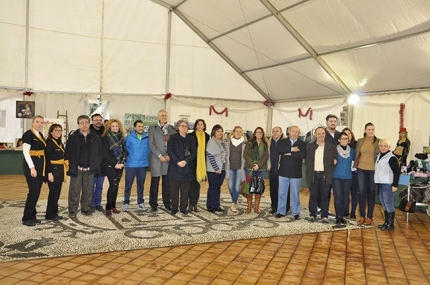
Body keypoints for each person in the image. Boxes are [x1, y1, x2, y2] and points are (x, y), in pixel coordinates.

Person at [66, 115, 102, 218]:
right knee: (74, 190)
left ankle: (85, 208)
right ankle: (72, 210)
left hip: (89, 169)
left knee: (87, 190)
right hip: (77, 168)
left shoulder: (95, 136)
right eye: (81, 122)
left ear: (89, 123)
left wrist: (97, 162)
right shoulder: (73, 136)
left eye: (86, 122)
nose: (84, 124)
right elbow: (68, 151)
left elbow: (99, 151)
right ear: (78, 124)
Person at [306, 126, 337, 223]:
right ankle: (312, 214)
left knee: (325, 196)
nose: (321, 135)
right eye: (319, 133)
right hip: (313, 175)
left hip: (325, 175)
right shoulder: (310, 147)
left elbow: (335, 161)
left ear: (325, 134)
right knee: (313, 195)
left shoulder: (331, 147)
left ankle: (324, 216)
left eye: (323, 133)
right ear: (315, 135)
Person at [148, 110, 176, 212]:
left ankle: (167, 203)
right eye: (162, 115)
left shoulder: (172, 129)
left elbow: (173, 144)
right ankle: (153, 204)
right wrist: (160, 155)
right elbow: (151, 144)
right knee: (154, 183)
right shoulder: (152, 129)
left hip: (168, 159)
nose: (164, 117)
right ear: (158, 117)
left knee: (167, 183)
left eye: (165, 115)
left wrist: (169, 155)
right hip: (156, 158)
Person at [276, 125, 306, 220]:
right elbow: (279, 150)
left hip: (295, 173)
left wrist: (289, 153)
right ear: (289, 132)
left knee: (295, 194)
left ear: (299, 133)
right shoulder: (283, 141)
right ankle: (281, 211)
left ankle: (296, 212)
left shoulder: (302, 143)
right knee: (282, 193)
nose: (294, 133)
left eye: (297, 132)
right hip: (283, 172)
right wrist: (292, 150)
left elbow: (302, 154)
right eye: (293, 131)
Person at [167, 120, 196, 215]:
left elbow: (194, 153)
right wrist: (178, 162)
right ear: (178, 127)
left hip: (187, 168)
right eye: (182, 126)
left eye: (186, 126)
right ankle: (174, 208)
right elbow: (170, 151)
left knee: (185, 190)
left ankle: (184, 208)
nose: (184, 127)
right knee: (174, 190)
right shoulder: (173, 137)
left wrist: (185, 161)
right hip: (175, 167)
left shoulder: (191, 138)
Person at [21, 115, 46, 226]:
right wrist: (32, 167)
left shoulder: (40, 134)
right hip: (32, 167)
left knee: (36, 193)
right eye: (37, 122)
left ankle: (32, 215)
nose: (39, 124)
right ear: (32, 122)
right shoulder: (28, 134)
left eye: (41, 122)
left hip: (40, 167)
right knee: (33, 192)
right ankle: (26, 218)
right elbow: (26, 152)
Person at [355, 122, 380, 226]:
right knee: (361, 192)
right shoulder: (360, 141)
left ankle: (369, 216)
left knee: (371, 192)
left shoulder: (378, 142)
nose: (371, 131)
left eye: (372, 129)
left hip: (373, 170)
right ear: (365, 130)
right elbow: (357, 153)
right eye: (369, 129)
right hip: (361, 169)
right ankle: (362, 215)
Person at [123, 120, 150, 212]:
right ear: (135, 128)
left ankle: (140, 203)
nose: (141, 128)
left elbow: (149, 149)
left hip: (142, 165)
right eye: (139, 126)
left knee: (141, 185)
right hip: (131, 165)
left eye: (142, 126)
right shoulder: (129, 138)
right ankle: (126, 203)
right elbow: (125, 150)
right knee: (128, 185)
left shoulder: (147, 137)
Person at [101, 119, 126, 216]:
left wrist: (123, 162)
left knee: (116, 186)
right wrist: (115, 163)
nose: (115, 128)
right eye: (113, 126)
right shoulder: (105, 138)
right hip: (110, 165)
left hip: (120, 165)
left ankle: (113, 206)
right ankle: (108, 207)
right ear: (109, 127)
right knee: (113, 184)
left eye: (117, 126)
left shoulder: (122, 137)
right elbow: (105, 154)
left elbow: (124, 151)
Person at [375, 139, 400, 231]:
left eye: (385, 146)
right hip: (380, 183)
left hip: (388, 184)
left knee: (388, 203)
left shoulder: (391, 158)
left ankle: (390, 224)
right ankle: (386, 223)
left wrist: (394, 185)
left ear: (389, 147)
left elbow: (396, 172)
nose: (383, 148)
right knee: (384, 204)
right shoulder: (379, 156)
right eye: (381, 146)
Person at [332, 132, 356, 224]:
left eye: (346, 139)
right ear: (339, 140)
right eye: (343, 139)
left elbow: (355, 162)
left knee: (346, 197)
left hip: (348, 177)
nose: (345, 140)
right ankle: (338, 216)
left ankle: (342, 216)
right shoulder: (334, 150)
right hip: (336, 177)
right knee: (338, 197)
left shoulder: (352, 151)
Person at [243, 127, 269, 214]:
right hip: (249, 168)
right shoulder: (249, 143)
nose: (259, 134)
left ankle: (257, 207)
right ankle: (249, 206)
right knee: (249, 186)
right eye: (258, 132)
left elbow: (266, 156)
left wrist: (258, 165)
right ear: (254, 133)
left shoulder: (265, 144)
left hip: (261, 168)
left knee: (259, 186)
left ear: (263, 134)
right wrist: (253, 164)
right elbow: (245, 154)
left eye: (261, 132)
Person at [45, 124, 67, 221]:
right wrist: (49, 172)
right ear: (51, 132)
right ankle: (50, 214)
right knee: (53, 193)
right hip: (52, 170)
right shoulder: (49, 142)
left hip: (59, 170)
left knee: (56, 193)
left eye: (60, 130)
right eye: (56, 130)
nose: (58, 132)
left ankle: (54, 213)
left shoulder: (60, 142)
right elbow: (47, 158)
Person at [188, 119, 210, 212]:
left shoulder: (207, 136)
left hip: (202, 164)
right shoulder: (191, 136)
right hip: (192, 163)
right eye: (198, 124)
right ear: (195, 126)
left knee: (197, 185)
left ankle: (195, 203)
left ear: (204, 126)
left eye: (202, 124)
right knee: (191, 184)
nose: (200, 126)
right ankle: (190, 204)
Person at [206, 124, 228, 213]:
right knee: (213, 187)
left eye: (221, 131)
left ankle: (216, 205)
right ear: (214, 132)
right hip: (213, 169)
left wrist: (223, 168)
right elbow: (210, 156)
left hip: (222, 168)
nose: (220, 133)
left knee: (218, 187)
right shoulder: (211, 142)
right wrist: (216, 168)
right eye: (218, 131)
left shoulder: (224, 142)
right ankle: (210, 205)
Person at [225, 126, 246, 212]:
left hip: (240, 168)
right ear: (233, 132)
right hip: (230, 167)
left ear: (242, 133)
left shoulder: (245, 143)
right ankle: (235, 198)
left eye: (240, 132)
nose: (238, 133)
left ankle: (234, 203)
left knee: (237, 186)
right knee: (230, 186)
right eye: (237, 131)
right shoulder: (227, 142)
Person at [268, 126, 287, 214]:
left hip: (283, 169)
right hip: (272, 169)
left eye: (277, 131)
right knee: (273, 189)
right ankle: (274, 207)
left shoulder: (285, 141)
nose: (275, 133)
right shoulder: (269, 142)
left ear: (281, 132)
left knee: (283, 190)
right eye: (274, 131)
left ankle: (285, 208)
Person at [89, 114, 105, 212]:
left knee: (100, 185)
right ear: (92, 121)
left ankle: (97, 203)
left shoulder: (106, 131)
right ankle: (90, 203)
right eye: (96, 120)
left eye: (100, 120)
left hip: (102, 163)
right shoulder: (88, 131)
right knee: (90, 184)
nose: (98, 121)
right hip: (91, 162)